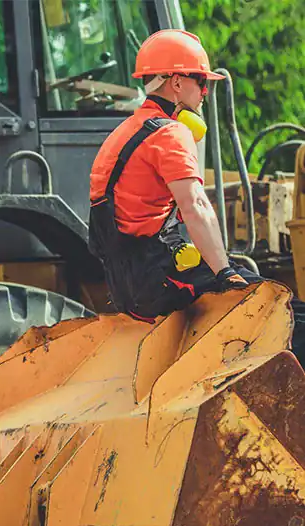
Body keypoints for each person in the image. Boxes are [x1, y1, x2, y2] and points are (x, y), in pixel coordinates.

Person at [88, 29, 259, 322]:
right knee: (280, 308)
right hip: (158, 279)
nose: (205, 91)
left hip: (129, 282)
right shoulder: (170, 133)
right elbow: (196, 205)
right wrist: (226, 273)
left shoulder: (127, 130)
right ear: (177, 81)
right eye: (201, 81)